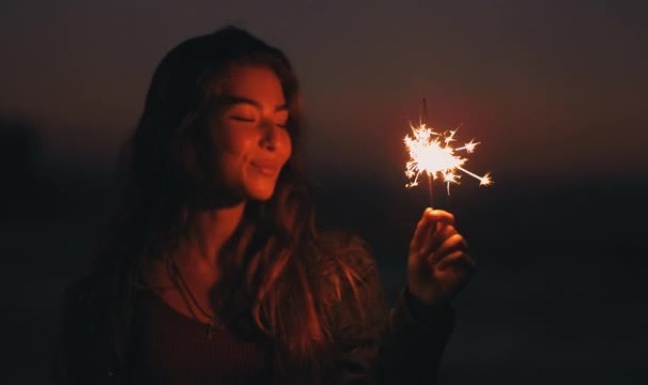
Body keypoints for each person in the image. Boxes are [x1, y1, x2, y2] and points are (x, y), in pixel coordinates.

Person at [52, 27, 475, 385]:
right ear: (185, 130)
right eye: (245, 118)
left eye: (281, 120)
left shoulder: (334, 275)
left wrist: (422, 306)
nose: (274, 140)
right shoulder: (111, 293)